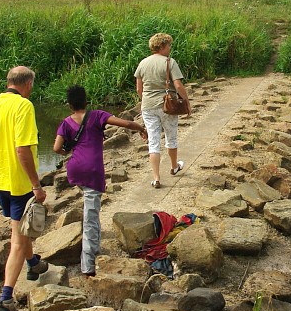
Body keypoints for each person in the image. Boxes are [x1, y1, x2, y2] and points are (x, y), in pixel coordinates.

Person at [0, 65, 48, 311]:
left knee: (20, 227)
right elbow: (22, 149)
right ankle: (6, 298)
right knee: (17, 239)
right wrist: (36, 184)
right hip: (19, 184)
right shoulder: (24, 106)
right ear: (28, 84)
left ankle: (34, 264)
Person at [53, 85, 146, 276]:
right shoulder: (96, 116)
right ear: (86, 101)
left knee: (91, 210)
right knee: (91, 217)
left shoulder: (66, 123)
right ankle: (88, 265)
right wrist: (140, 128)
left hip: (75, 168)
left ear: (69, 105)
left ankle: (94, 249)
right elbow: (126, 124)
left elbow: (56, 148)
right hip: (92, 170)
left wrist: (66, 152)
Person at [134, 32, 189, 189]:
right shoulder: (169, 62)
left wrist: (146, 100)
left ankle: (156, 178)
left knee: (153, 141)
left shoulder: (143, 63)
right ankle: (174, 167)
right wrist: (186, 101)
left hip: (148, 106)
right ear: (163, 46)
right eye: (169, 45)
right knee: (171, 138)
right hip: (167, 106)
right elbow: (178, 85)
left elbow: (139, 89)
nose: (170, 48)